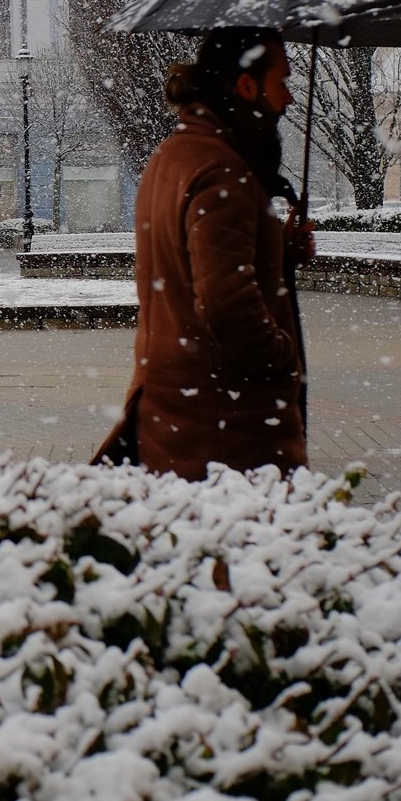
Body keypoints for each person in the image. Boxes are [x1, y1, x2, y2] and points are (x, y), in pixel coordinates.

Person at [93, 28, 312, 478]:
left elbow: (191, 266)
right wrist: (282, 357)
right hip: (226, 429)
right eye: (281, 82)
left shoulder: (174, 155)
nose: (289, 98)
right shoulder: (222, 170)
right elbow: (226, 304)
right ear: (247, 85)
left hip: (176, 411)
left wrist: (280, 251)